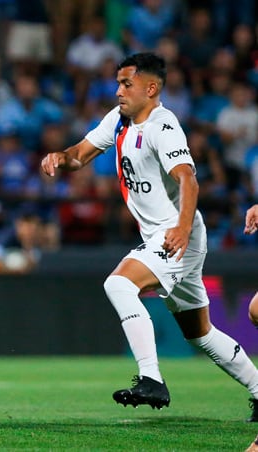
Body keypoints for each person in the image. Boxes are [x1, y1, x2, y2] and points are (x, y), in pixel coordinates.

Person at [40, 52, 258, 419]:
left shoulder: (163, 125)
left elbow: (188, 178)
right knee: (199, 332)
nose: (118, 91)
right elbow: (81, 154)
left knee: (119, 285)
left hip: (175, 234)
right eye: (118, 83)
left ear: (151, 88)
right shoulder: (119, 120)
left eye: (126, 84)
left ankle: (151, 378)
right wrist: (61, 158)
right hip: (171, 235)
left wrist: (182, 229)